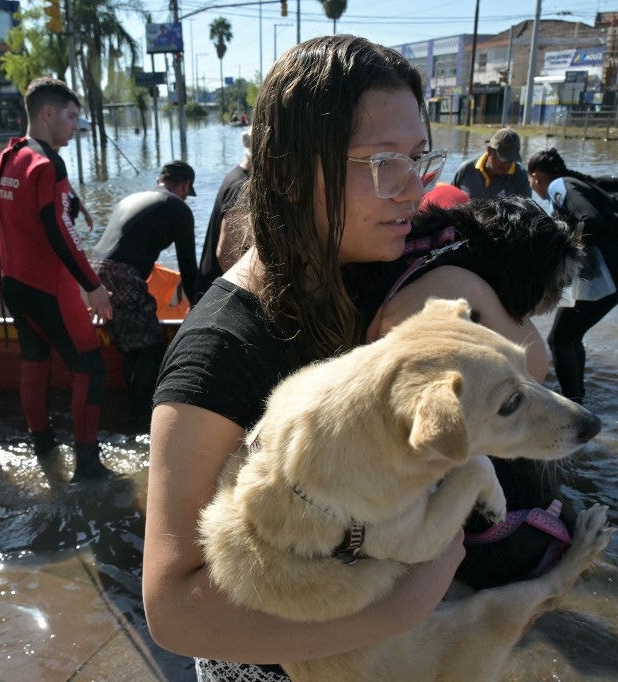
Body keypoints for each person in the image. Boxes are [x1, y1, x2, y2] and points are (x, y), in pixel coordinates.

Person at [142, 35, 462, 680]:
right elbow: (172, 607)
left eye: (420, 159)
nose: (415, 190)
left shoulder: (371, 280)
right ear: (290, 172)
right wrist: (404, 605)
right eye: (382, 163)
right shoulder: (220, 350)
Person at [0, 76, 115, 481]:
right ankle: (88, 465)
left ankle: (42, 445)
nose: (76, 125)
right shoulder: (49, 164)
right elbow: (58, 229)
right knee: (91, 368)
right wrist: (93, 285)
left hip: (14, 284)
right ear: (47, 114)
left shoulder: (4, 159)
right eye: (71, 116)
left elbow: (31, 200)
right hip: (48, 286)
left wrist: (74, 200)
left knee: (35, 362)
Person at [90, 161, 199, 430]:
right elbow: (187, 265)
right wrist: (199, 305)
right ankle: (140, 420)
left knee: (132, 345)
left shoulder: (135, 197)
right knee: (151, 347)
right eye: (187, 190)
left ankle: (131, 409)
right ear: (184, 185)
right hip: (122, 274)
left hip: (93, 272)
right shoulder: (178, 207)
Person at [527, 148, 618, 402]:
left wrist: (569, 257)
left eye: (530, 181)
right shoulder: (574, 182)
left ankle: (574, 405)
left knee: (559, 339)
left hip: (608, 277)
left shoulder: (559, 185)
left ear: (535, 176)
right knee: (570, 336)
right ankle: (579, 397)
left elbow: (589, 219)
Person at [195, 128, 251, 300]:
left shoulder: (235, 176)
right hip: (218, 296)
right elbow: (225, 252)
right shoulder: (242, 185)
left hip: (211, 287)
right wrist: (246, 298)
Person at [451, 127, 531, 200]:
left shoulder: (521, 177)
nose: (507, 165)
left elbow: (527, 212)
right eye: (503, 158)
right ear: (489, 151)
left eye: (511, 160)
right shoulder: (465, 170)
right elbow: (449, 201)